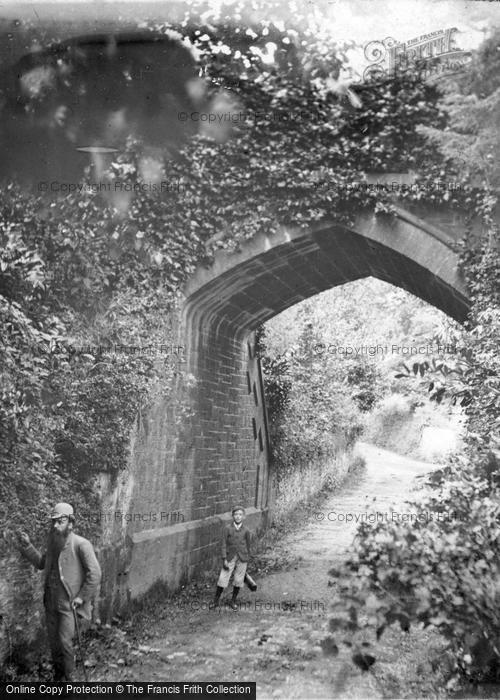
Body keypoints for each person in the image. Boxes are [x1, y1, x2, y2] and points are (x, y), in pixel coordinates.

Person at [16, 502, 101, 682]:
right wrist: (27, 546)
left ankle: (69, 680)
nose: (55, 525)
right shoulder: (54, 545)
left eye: (60, 521)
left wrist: (81, 597)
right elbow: (41, 563)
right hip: (50, 602)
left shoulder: (81, 544)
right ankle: (58, 678)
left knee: (64, 643)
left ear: (71, 523)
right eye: (54, 521)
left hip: (68, 605)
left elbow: (95, 574)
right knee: (54, 644)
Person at [212, 505, 252, 610]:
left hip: (242, 557)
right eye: (236, 514)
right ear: (232, 516)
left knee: (238, 580)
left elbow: (248, 545)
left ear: (243, 516)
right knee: (222, 578)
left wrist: (247, 558)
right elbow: (224, 544)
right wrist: (224, 558)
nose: (238, 516)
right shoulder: (227, 529)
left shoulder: (246, 530)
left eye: (240, 514)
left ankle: (233, 601)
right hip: (230, 557)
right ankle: (215, 601)